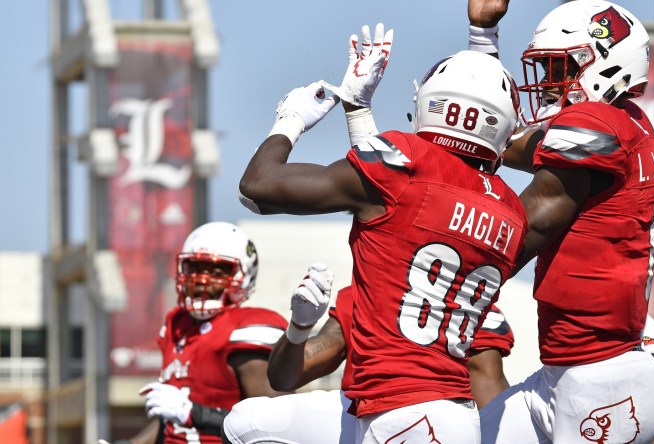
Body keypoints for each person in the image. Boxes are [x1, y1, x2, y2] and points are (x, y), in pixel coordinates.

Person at [238, 22, 526, 441]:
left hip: (403, 410)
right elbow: (405, 209)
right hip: (448, 411)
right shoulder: (510, 208)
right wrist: (357, 111)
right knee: (246, 420)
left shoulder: (406, 165)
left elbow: (257, 189)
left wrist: (291, 119)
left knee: (247, 425)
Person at [462, 1, 654, 442]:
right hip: (566, 373)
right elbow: (501, 141)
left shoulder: (597, 124)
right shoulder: (627, 124)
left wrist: (459, 288)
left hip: (602, 380)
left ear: (606, 63)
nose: (550, 82)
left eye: (560, 66)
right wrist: (484, 37)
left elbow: (528, 226)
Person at [222, 280, 516, 444]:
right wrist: (299, 328)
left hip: (438, 422)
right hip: (363, 417)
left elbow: (494, 409)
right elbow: (284, 380)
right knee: (242, 422)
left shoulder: (466, 302)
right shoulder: (364, 294)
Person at [107, 222, 291, 444]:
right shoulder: (177, 326)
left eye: (216, 272)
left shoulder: (246, 328)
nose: (201, 280)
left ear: (243, 277)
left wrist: (197, 415)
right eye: (195, 268)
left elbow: (274, 426)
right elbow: (171, 424)